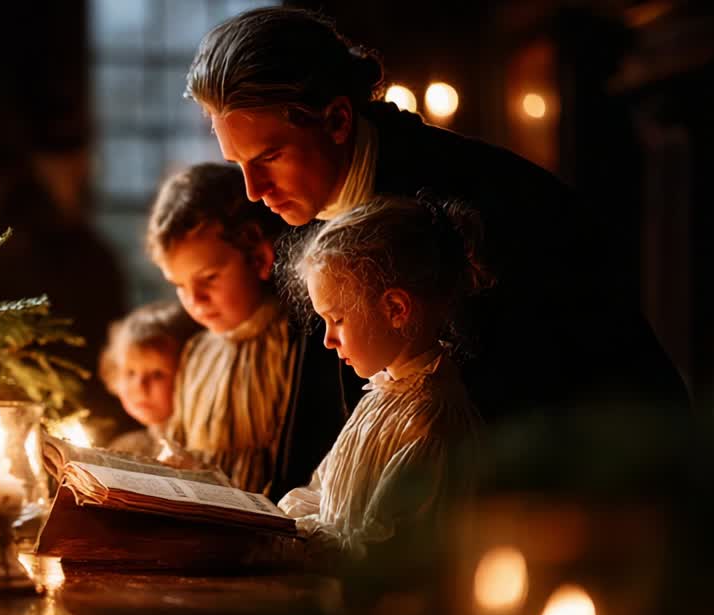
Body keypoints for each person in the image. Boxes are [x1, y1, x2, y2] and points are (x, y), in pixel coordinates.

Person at [185, 6, 687, 424]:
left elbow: (547, 405)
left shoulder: (485, 209)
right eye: (238, 165)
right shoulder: (292, 216)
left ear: (337, 120)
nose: (254, 190)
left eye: (270, 157)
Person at [277, 195, 489, 567]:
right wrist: (271, 520)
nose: (327, 340)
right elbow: (321, 492)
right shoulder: (381, 395)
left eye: (337, 319)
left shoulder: (429, 424)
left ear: (395, 309)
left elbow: (380, 551)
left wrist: (298, 539)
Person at [148, 163, 349, 497]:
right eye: (179, 286)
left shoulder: (296, 345)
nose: (194, 300)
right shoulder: (196, 354)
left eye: (208, 278)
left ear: (258, 256)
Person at [98, 300, 201, 457]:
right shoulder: (127, 448)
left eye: (157, 374)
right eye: (130, 373)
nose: (140, 386)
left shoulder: (201, 451)